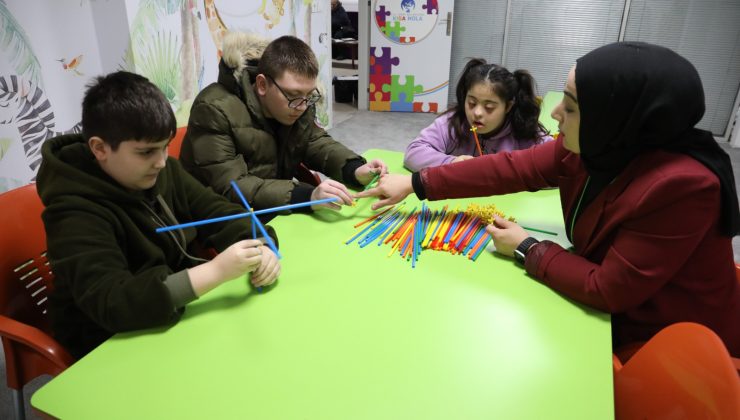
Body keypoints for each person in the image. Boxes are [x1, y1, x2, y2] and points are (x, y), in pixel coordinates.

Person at [357, 42, 740, 357]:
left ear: (616, 118)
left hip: (665, 345)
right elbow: (507, 168)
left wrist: (527, 247)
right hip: (613, 314)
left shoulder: (684, 187)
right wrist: (416, 184)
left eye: (571, 107)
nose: (555, 113)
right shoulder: (593, 146)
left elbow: (608, 288)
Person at [36, 71, 281, 359]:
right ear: (100, 148)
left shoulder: (162, 171)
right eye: (146, 152)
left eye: (165, 147)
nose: (162, 162)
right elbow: (111, 303)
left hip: (173, 318)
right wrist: (215, 271)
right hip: (108, 343)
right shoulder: (73, 211)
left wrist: (261, 246)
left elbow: (219, 212)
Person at [180, 33, 385, 216]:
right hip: (223, 217)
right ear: (261, 84)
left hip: (274, 204)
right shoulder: (213, 110)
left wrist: (354, 169)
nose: (302, 106)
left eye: (309, 95)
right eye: (293, 95)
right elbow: (231, 187)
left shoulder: (298, 103)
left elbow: (315, 142)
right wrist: (305, 195)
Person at [404, 59, 553, 172]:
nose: (477, 113)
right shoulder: (454, 123)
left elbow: (557, 162)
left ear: (508, 106)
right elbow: (413, 153)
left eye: (489, 107)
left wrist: (508, 171)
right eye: (471, 103)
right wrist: (451, 163)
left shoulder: (523, 130)